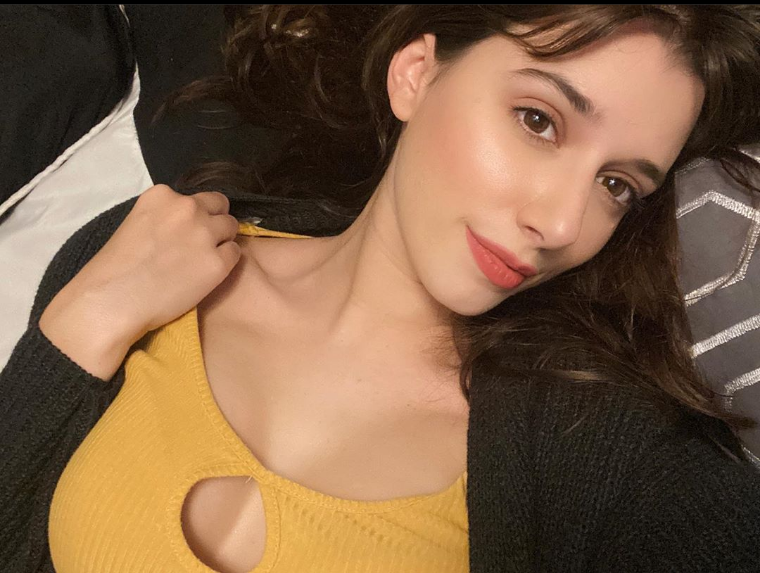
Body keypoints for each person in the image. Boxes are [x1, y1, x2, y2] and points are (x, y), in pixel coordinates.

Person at [3, 5, 760, 572]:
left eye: (616, 185)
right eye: (538, 120)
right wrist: (78, 329)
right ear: (416, 74)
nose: (562, 223)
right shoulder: (140, 258)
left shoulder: (593, 447)